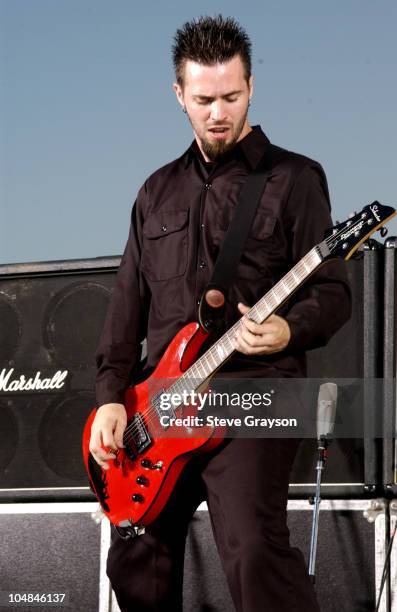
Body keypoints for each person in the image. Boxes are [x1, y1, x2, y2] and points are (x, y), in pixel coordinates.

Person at [89, 15, 351, 612]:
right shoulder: (155, 192)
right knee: (135, 552)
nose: (218, 112)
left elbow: (334, 295)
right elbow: (127, 303)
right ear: (178, 94)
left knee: (254, 551)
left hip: (253, 397)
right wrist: (109, 395)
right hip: (162, 406)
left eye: (231, 96)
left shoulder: (294, 178)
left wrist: (287, 328)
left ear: (252, 87)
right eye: (204, 98)